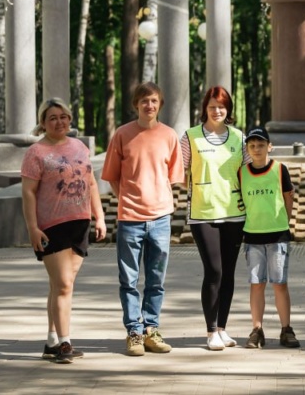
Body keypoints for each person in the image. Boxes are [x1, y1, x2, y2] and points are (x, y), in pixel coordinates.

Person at [20, 97, 106, 364]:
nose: (59, 121)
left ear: (70, 119)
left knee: (59, 286)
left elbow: (91, 183)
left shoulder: (79, 147)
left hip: (79, 222)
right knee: (64, 285)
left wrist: (99, 217)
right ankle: (65, 344)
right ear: (43, 123)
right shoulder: (36, 152)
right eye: (52, 118)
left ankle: (51, 340)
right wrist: (33, 228)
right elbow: (28, 193)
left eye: (63, 116)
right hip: (51, 226)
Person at [101, 82, 184, 357]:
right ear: (136, 104)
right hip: (130, 220)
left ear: (160, 104)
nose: (149, 105)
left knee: (156, 280)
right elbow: (112, 176)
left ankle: (151, 329)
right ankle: (133, 332)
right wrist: (128, 199)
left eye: (154, 101)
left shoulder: (170, 136)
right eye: (144, 101)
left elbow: (173, 177)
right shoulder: (123, 135)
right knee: (129, 279)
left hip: (160, 218)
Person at [182, 86, 247, 351]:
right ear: (204, 109)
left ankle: (222, 328)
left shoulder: (238, 137)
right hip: (203, 213)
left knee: (229, 273)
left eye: (221, 106)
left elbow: (248, 171)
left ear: (228, 109)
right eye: (212, 106)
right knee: (214, 271)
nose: (217, 111)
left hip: (235, 212)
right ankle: (210, 332)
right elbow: (177, 169)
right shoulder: (191, 137)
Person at [240, 127, 300, 349]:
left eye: (261, 145)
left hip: (277, 235)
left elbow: (288, 197)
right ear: (247, 148)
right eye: (252, 146)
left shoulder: (280, 169)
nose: (257, 149)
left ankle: (286, 329)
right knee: (257, 284)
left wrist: (284, 222)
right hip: (252, 235)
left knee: (280, 284)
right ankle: (257, 329)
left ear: (269, 147)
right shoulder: (242, 172)